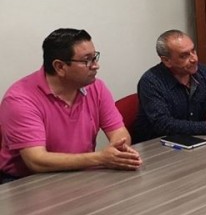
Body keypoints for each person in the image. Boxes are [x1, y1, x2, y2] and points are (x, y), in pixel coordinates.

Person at [0, 28, 141, 181]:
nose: (96, 65)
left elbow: (120, 133)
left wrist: (117, 150)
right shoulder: (20, 99)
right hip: (27, 181)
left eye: (95, 57)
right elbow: (36, 161)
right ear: (60, 67)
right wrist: (100, 158)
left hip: (80, 171)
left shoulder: (96, 87)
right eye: (87, 60)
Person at [132, 30, 206, 142]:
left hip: (196, 140)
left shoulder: (203, 72)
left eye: (193, 51)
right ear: (166, 61)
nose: (194, 59)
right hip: (158, 145)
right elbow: (163, 124)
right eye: (184, 56)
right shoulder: (150, 82)